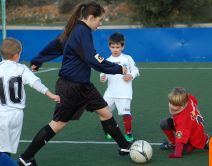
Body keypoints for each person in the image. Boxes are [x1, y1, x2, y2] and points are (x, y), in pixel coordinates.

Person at [17, 2, 131, 165]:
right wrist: (118, 68)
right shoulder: (81, 32)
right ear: (91, 17)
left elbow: (56, 44)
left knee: (105, 112)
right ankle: (25, 158)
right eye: (100, 20)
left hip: (83, 85)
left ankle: (124, 146)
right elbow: (94, 59)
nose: (101, 23)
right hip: (70, 87)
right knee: (57, 124)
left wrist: (38, 60)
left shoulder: (76, 29)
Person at [0, 38, 60, 166]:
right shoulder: (21, 69)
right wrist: (50, 94)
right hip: (16, 115)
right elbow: (35, 83)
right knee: (5, 150)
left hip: (2, 114)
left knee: (1, 153)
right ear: (16, 56)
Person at [100, 32, 139, 142]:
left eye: (118, 47)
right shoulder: (107, 60)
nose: (115, 49)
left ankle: (129, 134)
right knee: (102, 111)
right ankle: (107, 131)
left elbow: (136, 70)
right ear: (109, 47)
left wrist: (131, 75)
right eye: (113, 47)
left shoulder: (127, 58)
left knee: (126, 113)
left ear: (123, 46)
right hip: (110, 93)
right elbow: (103, 73)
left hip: (124, 93)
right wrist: (102, 77)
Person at [159, 87, 209, 158]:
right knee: (164, 124)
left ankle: (205, 142)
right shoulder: (187, 97)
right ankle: (173, 144)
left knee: (183, 150)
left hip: (194, 140)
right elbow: (195, 100)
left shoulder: (182, 120)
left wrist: (177, 154)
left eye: (175, 105)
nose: (171, 106)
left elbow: (180, 139)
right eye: (170, 102)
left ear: (183, 105)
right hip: (194, 127)